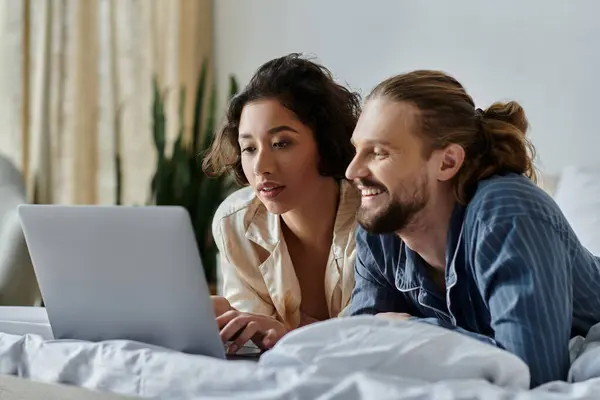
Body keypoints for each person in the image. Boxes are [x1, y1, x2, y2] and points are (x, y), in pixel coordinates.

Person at [345, 70, 600, 387]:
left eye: (379, 152)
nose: (352, 170)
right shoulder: (380, 229)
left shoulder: (508, 213)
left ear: (447, 162)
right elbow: (357, 344)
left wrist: (414, 331)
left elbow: (531, 372)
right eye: (356, 149)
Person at [202, 53, 361, 354]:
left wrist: (286, 336)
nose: (261, 166)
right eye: (248, 148)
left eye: (281, 144)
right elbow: (251, 335)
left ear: (324, 143)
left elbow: (374, 339)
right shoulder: (235, 223)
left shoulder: (373, 217)